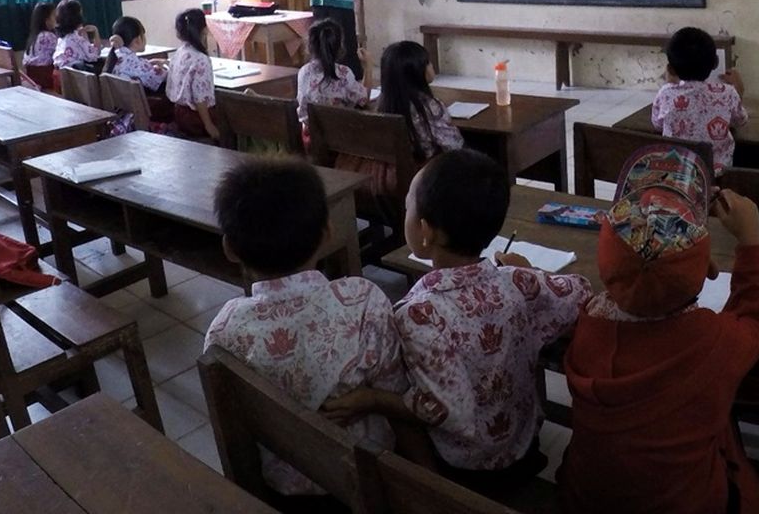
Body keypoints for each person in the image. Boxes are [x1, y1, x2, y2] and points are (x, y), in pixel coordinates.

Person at [556, 145, 759, 514]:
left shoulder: (588, 324)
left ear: (605, 271)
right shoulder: (712, 342)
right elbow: (753, 318)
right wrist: (751, 240)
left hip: (587, 498)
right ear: (709, 270)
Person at [323, 149, 591, 494]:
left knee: (388, 396)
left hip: (466, 469)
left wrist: (372, 399)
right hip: (524, 448)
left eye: (408, 206)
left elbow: (442, 410)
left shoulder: (419, 314)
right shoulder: (517, 282)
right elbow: (579, 293)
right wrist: (528, 271)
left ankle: (434, 495)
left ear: (425, 233)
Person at [205, 158, 406, 500]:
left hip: (283, 488)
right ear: (328, 234)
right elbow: (397, 393)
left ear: (230, 249)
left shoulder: (224, 330)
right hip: (367, 481)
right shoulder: (363, 301)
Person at [652, 26, 747, 173]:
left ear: (670, 69)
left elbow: (657, 124)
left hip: (677, 173)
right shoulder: (728, 92)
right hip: (716, 173)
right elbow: (740, 121)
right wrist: (739, 90)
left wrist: (669, 84)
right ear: (715, 63)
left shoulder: (665, 93)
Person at [376, 40, 463, 163]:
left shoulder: (383, 102)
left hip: (390, 169)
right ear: (416, 71)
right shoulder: (429, 106)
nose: (431, 66)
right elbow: (454, 144)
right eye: (427, 62)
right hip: (427, 171)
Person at [296, 18, 369, 126]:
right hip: (342, 137)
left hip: (313, 138)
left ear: (310, 46)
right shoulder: (344, 73)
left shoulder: (303, 72)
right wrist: (368, 66)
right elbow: (363, 100)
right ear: (340, 47)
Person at [104, 16, 172, 122]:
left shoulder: (115, 58)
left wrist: (151, 65)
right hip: (134, 117)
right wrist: (166, 64)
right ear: (137, 40)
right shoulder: (139, 65)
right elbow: (167, 77)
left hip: (121, 115)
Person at [166, 8, 219, 142]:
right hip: (196, 120)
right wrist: (209, 125)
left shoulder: (179, 53)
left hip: (178, 113)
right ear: (204, 30)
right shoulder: (201, 59)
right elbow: (199, 98)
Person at [51, 0, 101, 81]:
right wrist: (96, 31)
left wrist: (84, 37)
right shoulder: (77, 38)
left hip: (60, 76)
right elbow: (95, 55)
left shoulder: (61, 39)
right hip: (76, 79)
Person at [22, 1, 57, 91]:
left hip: (33, 78)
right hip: (46, 77)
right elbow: (61, 52)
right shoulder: (48, 36)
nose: (56, 19)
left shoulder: (34, 36)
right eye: (54, 15)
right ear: (46, 20)